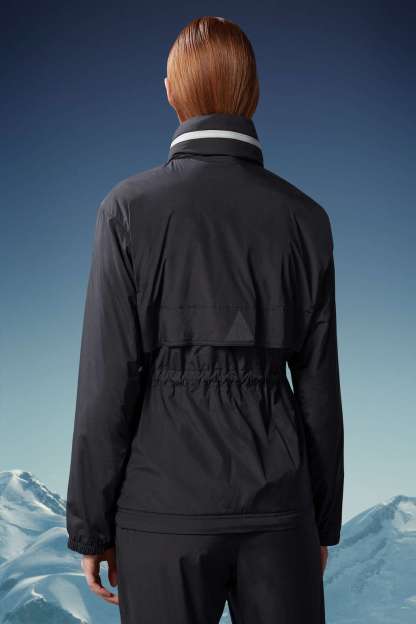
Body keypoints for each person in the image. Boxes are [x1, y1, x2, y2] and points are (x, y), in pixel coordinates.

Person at [66, 15, 344, 624]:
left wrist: (91, 526)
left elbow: (106, 384)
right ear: (254, 93)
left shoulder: (126, 210)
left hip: (160, 505)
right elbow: (320, 389)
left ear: (172, 93)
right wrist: (321, 522)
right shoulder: (307, 219)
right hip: (280, 506)